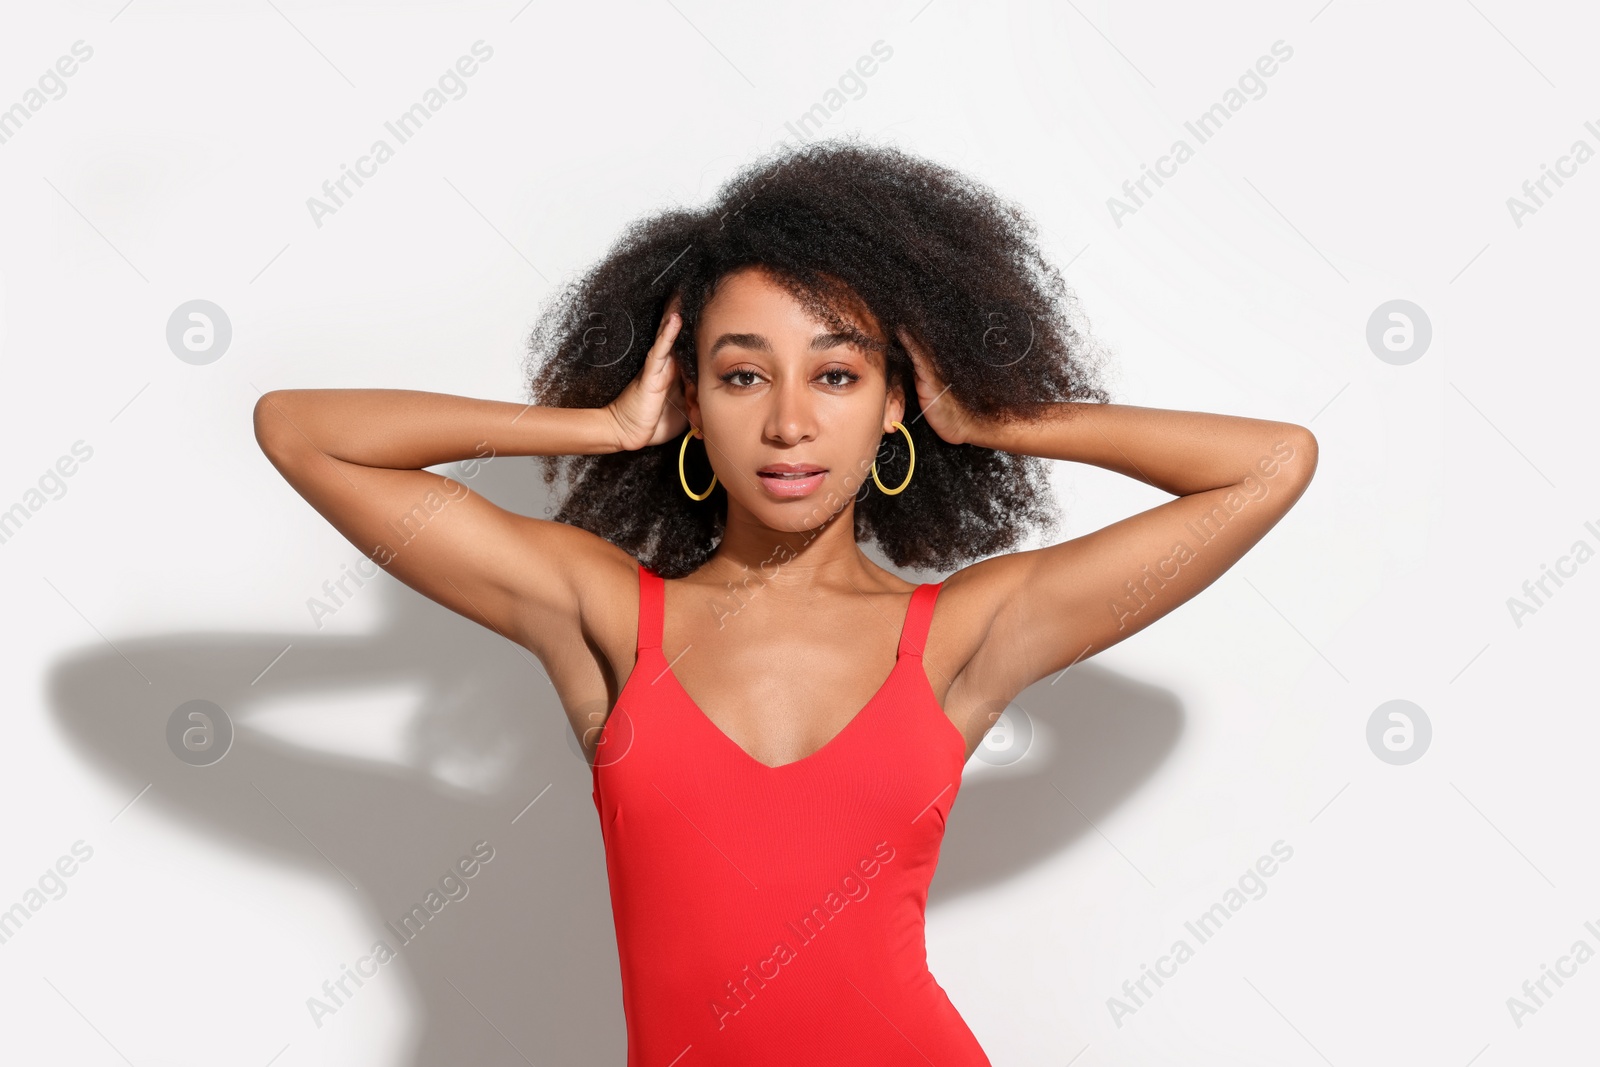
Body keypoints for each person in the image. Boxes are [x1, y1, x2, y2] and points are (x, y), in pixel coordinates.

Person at [253, 137, 1318, 1064]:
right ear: (692, 402)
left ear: (893, 400)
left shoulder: (957, 635)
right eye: (743, 374)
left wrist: (994, 417)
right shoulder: (608, 619)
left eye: (839, 375)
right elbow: (300, 428)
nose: (790, 424)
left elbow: (1269, 463)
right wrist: (601, 426)